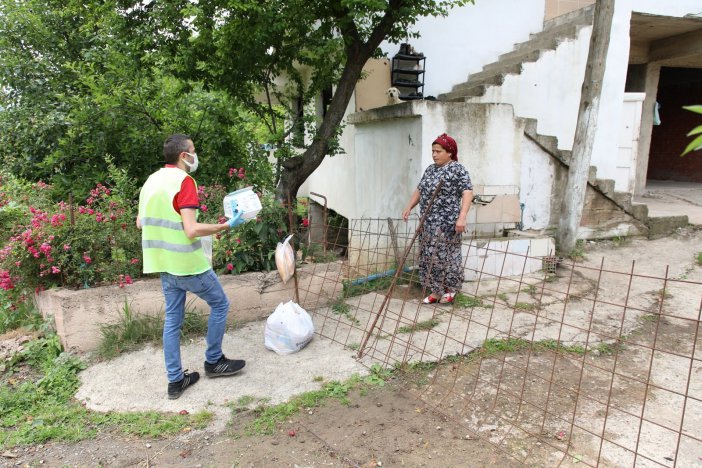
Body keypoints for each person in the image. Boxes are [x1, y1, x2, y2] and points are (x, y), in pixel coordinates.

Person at [136, 133, 247, 399]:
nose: (195, 155)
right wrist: (225, 225)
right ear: (184, 155)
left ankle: (176, 381)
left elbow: (141, 222)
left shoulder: (151, 181)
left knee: (173, 320)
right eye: (193, 151)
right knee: (220, 304)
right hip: (188, 264)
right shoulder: (184, 181)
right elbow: (191, 229)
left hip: (164, 265)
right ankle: (214, 361)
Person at [402, 133, 473, 304]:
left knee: (447, 256)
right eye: (433, 151)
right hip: (428, 222)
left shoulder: (458, 169)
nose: (434, 154)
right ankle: (436, 290)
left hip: (447, 223)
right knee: (428, 255)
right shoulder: (430, 169)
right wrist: (409, 206)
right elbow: (420, 190)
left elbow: (467, 192)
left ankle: (451, 289)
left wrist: (462, 217)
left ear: (449, 152)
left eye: (438, 151)